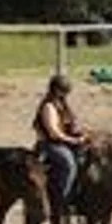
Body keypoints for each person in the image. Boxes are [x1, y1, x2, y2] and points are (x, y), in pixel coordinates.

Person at [34, 75, 88, 208]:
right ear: (56, 90)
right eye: (64, 91)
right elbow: (54, 132)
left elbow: (71, 122)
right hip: (50, 144)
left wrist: (80, 132)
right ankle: (62, 198)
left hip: (65, 141)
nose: (65, 94)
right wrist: (73, 140)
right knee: (68, 163)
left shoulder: (63, 104)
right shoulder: (48, 107)